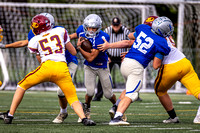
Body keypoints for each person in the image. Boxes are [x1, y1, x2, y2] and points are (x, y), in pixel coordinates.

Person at [0, 15, 96, 126]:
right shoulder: (60, 31)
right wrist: (78, 46)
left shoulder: (34, 39)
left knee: (21, 85)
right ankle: (84, 119)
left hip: (46, 67)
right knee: (72, 97)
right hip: (62, 68)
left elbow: (38, 55)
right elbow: (73, 52)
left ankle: (10, 115)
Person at [98, 16, 172, 125]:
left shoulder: (144, 29)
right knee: (132, 94)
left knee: (128, 89)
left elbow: (129, 37)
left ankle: (115, 107)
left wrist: (109, 46)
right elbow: (156, 65)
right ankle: (117, 118)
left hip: (126, 62)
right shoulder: (162, 43)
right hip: (136, 67)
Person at [152, 25, 200, 124]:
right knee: (198, 91)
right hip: (184, 62)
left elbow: (156, 65)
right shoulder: (168, 36)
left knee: (160, 91)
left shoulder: (156, 38)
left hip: (170, 67)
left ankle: (173, 117)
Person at [76, 14, 117, 120]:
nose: (91, 30)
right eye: (89, 27)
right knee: (89, 92)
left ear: (99, 27)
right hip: (89, 67)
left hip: (102, 66)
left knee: (108, 94)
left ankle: (118, 108)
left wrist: (79, 47)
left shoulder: (102, 37)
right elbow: (75, 35)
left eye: (94, 28)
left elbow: (91, 58)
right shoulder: (80, 30)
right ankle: (87, 108)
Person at [93, 17, 143, 102]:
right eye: (114, 25)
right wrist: (106, 56)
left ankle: (135, 95)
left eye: (117, 25)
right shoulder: (107, 30)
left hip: (122, 56)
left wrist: (128, 54)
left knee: (130, 74)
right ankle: (98, 95)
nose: (115, 27)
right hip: (110, 56)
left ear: (120, 24)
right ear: (111, 25)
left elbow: (133, 43)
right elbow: (102, 44)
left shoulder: (126, 31)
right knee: (103, 75)